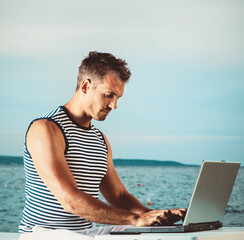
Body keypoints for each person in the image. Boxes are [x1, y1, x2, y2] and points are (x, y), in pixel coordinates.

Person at [18, 51, 186, 239]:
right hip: (45, 233)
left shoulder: (99, 139)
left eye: (118, 98)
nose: (114, 105)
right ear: (86, 86)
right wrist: (135, 219)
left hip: (86, 232)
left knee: (156, 235)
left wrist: (158, 217)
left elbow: (119, 197)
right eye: (108, 95)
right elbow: (69, 200)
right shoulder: (46, 129)